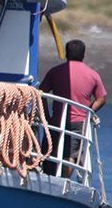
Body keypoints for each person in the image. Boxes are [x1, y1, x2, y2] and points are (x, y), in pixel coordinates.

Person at [38, 39, 107, 172]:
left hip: (56, 121)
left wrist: (46, 116)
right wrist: (88, 112)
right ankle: (64, 181)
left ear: (66, 53)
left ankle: (49, 177)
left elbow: (41, 93)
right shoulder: (93, 75)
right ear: (83, 55)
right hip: (79, 122)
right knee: (71, 156)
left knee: (50, 152)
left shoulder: (55, 72)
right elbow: (101, 99)